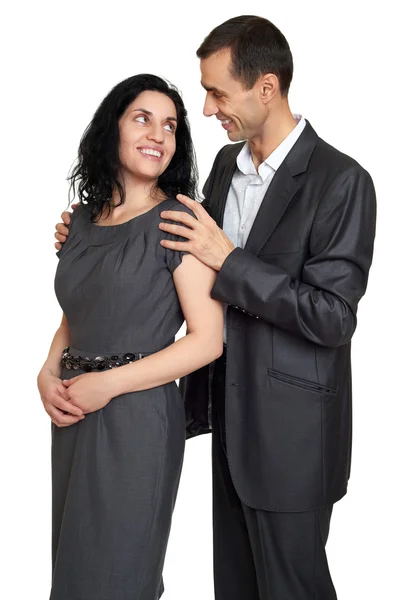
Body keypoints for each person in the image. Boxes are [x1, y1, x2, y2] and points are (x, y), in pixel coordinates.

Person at [55, 16, 377, 600]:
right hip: (225, 422)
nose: (207, 109)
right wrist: (90, 243)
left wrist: (231, 260)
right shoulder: (228, 168)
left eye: (217, 92)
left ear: (267, 88)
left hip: (293, 437)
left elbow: (333, 316)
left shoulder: (342, 181)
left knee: (291, 589)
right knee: (236, 588)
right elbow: (165, 253)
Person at [39, 73, 223, 600]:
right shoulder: (78, 223)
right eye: (142, 118)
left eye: (170, 126)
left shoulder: (180, 219)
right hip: (73, 413)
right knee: (75, 573)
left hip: (137, 419)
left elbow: (207, 340)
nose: (158, 135)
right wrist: (47, 373)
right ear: (112, 128)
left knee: (119, 575)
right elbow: (76, 316)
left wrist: (109, 384)